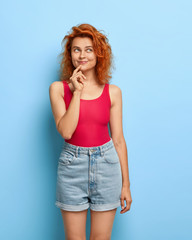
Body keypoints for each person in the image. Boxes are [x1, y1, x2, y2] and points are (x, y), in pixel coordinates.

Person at [49, 23, 132, 240]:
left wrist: (126, 185)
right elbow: (66, 131)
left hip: (107, 165)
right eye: (76, 49)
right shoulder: (58, 89)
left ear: (98, 54)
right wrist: (76, 92)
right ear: (70, 55)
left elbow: (119, 141)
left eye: (88, 49)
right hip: (71, 167)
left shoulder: (113, 92)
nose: (82, 55)